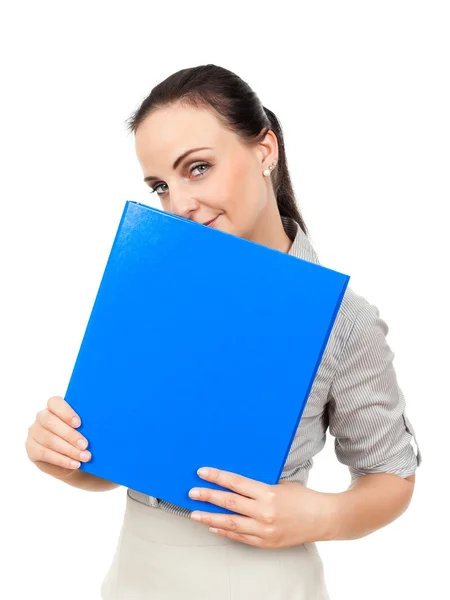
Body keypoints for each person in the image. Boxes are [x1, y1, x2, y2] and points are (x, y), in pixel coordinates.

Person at [25, 64, 422, 599]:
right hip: (132, 578)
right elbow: (125, 461)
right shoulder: (150, 288)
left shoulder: (343, 319)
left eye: (198, 169)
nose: (179, 204)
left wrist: (321, 515)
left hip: (260, 583)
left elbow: (390, 475)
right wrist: (63, 453)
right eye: (160, 186)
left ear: (265, 151)